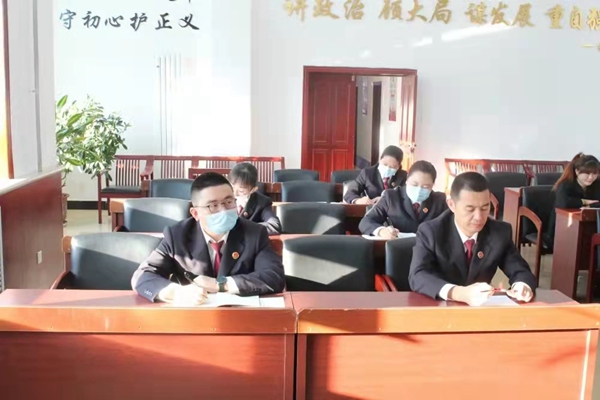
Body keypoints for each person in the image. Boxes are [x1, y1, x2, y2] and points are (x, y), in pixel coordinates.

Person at [131, 172, 285, 305]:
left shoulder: (255, 233)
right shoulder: (176, 235)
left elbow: (274, 276)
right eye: (213, 206)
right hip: (192, 317)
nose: (223, 210)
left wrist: (220, 284)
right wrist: (175, 292)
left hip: (240, 318)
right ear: (195, 213)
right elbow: (143, 276)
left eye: (228, 202)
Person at [409, 172, 537, 306]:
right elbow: (418, 275)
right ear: (452, 205)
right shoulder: (431, 231)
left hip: (480, 310)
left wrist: (522, 286)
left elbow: (520, 271)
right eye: (470, 209)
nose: (479, 217)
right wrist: (457, 293)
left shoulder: (499, 232)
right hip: (439, 307)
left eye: (485, 208)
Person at [359, 160, 447, 238]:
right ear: (407, 179)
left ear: (432, 185)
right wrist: (381, 231)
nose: (419, 190)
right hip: (398, 247)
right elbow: (366, 221)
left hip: (429, 249)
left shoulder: (440, 200)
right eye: (414, 184)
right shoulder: (391, 196)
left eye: (425, 187)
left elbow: (450, 227)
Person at [546, 153, 600, 247]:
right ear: (577, 171)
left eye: (594, 173)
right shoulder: (565, 185)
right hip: (562, 227)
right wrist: (585, 202)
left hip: (588, 227)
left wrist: (588, 206)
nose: (591, 177)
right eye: (587, 173)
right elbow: (564, 203)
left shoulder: (597, 184)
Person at [343, 145, 408, 205]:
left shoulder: (403, 176)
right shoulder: (367, 173)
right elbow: (349, 193)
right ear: (380, 159)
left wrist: (386, 199)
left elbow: (406, 197)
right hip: (370, 210)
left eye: (392, 167)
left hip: (392, 211)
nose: (388, 168)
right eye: (385, 164)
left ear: (398, 166)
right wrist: (358, 200)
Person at [229, 162, 281, 235]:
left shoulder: (262, 202)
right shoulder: (220, 198)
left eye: (241, 191)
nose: (234, 193)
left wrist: (242, 228)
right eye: (232, 187)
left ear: (253, 189)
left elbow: (274, 226)